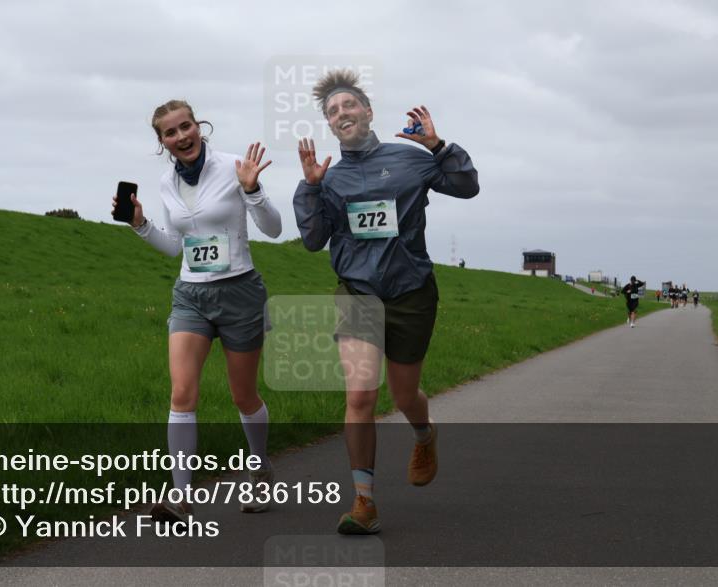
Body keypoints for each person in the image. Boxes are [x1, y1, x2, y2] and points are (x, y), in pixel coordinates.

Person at [293, 70, 479, 534]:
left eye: (348, 105)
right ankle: (364, 502)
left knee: (403, 395)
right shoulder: (328, 179)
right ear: (329, 125)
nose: (341, 113)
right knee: (360, 395)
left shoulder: (410, 159)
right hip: (357, 292)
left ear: (368, 111)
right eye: (332, 111)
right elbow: (313, 241)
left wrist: (438, 146)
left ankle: (424, 433)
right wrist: (311, 187)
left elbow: (467, 186)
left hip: (411, 292)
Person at [115, 99, 282, 521]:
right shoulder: (167, 182)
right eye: (170, 133)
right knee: (182, 393)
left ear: (199, 126)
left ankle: (261, 469)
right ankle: (181, 496)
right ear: (162, 142)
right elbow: (176, 246)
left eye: (185, 126)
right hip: (191, 294)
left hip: (240, 292)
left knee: (243, 396)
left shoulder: (234, 166)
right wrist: (140, 225)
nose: (181, 136)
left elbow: (274, 228)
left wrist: (253, 191)